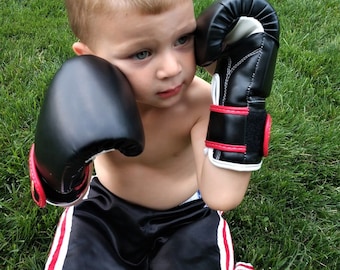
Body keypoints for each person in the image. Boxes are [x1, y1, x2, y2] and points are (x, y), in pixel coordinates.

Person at [28, 0, 279, 269]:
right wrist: (62, 175)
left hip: (187, 216)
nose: (171, 68)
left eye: (183, 38)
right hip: (105, 209)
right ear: (91, 57)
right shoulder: (91, 102)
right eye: (141, 53)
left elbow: (222, 197)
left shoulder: (198, 102)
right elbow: (65, 194)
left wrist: (236, 97)